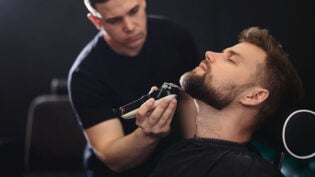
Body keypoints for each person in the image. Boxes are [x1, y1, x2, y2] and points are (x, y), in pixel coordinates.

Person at [148, 26, 304, 177]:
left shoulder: (252, 172)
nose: (209, 54)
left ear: (253, 96)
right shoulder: (177, 152)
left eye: (231, 60)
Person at [67, 0, 200, 176]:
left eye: (133, 11)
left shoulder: (175, 36)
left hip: (173, 162)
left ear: (143, 2)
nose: (129, 27)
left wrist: (197, 154)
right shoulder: (84, 74)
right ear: (96, 21)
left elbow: (189, 100)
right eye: (114, 20)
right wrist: (148, 134)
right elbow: (113, 158)